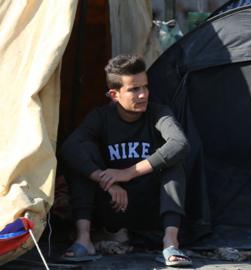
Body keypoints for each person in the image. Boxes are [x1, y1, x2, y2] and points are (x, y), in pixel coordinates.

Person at [61, 54, 192, 267]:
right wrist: (106, 180)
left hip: (151, 205)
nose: (143, 95)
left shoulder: (158, 113)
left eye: (145, 87)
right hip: (114, 206)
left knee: (173, 163)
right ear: (114, 94)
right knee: (83, 153)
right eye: (134, 89)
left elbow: (180, 144)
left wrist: (128, 172)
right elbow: (69, 148)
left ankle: (170, 243)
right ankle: (83, 239)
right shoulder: (101, 117)